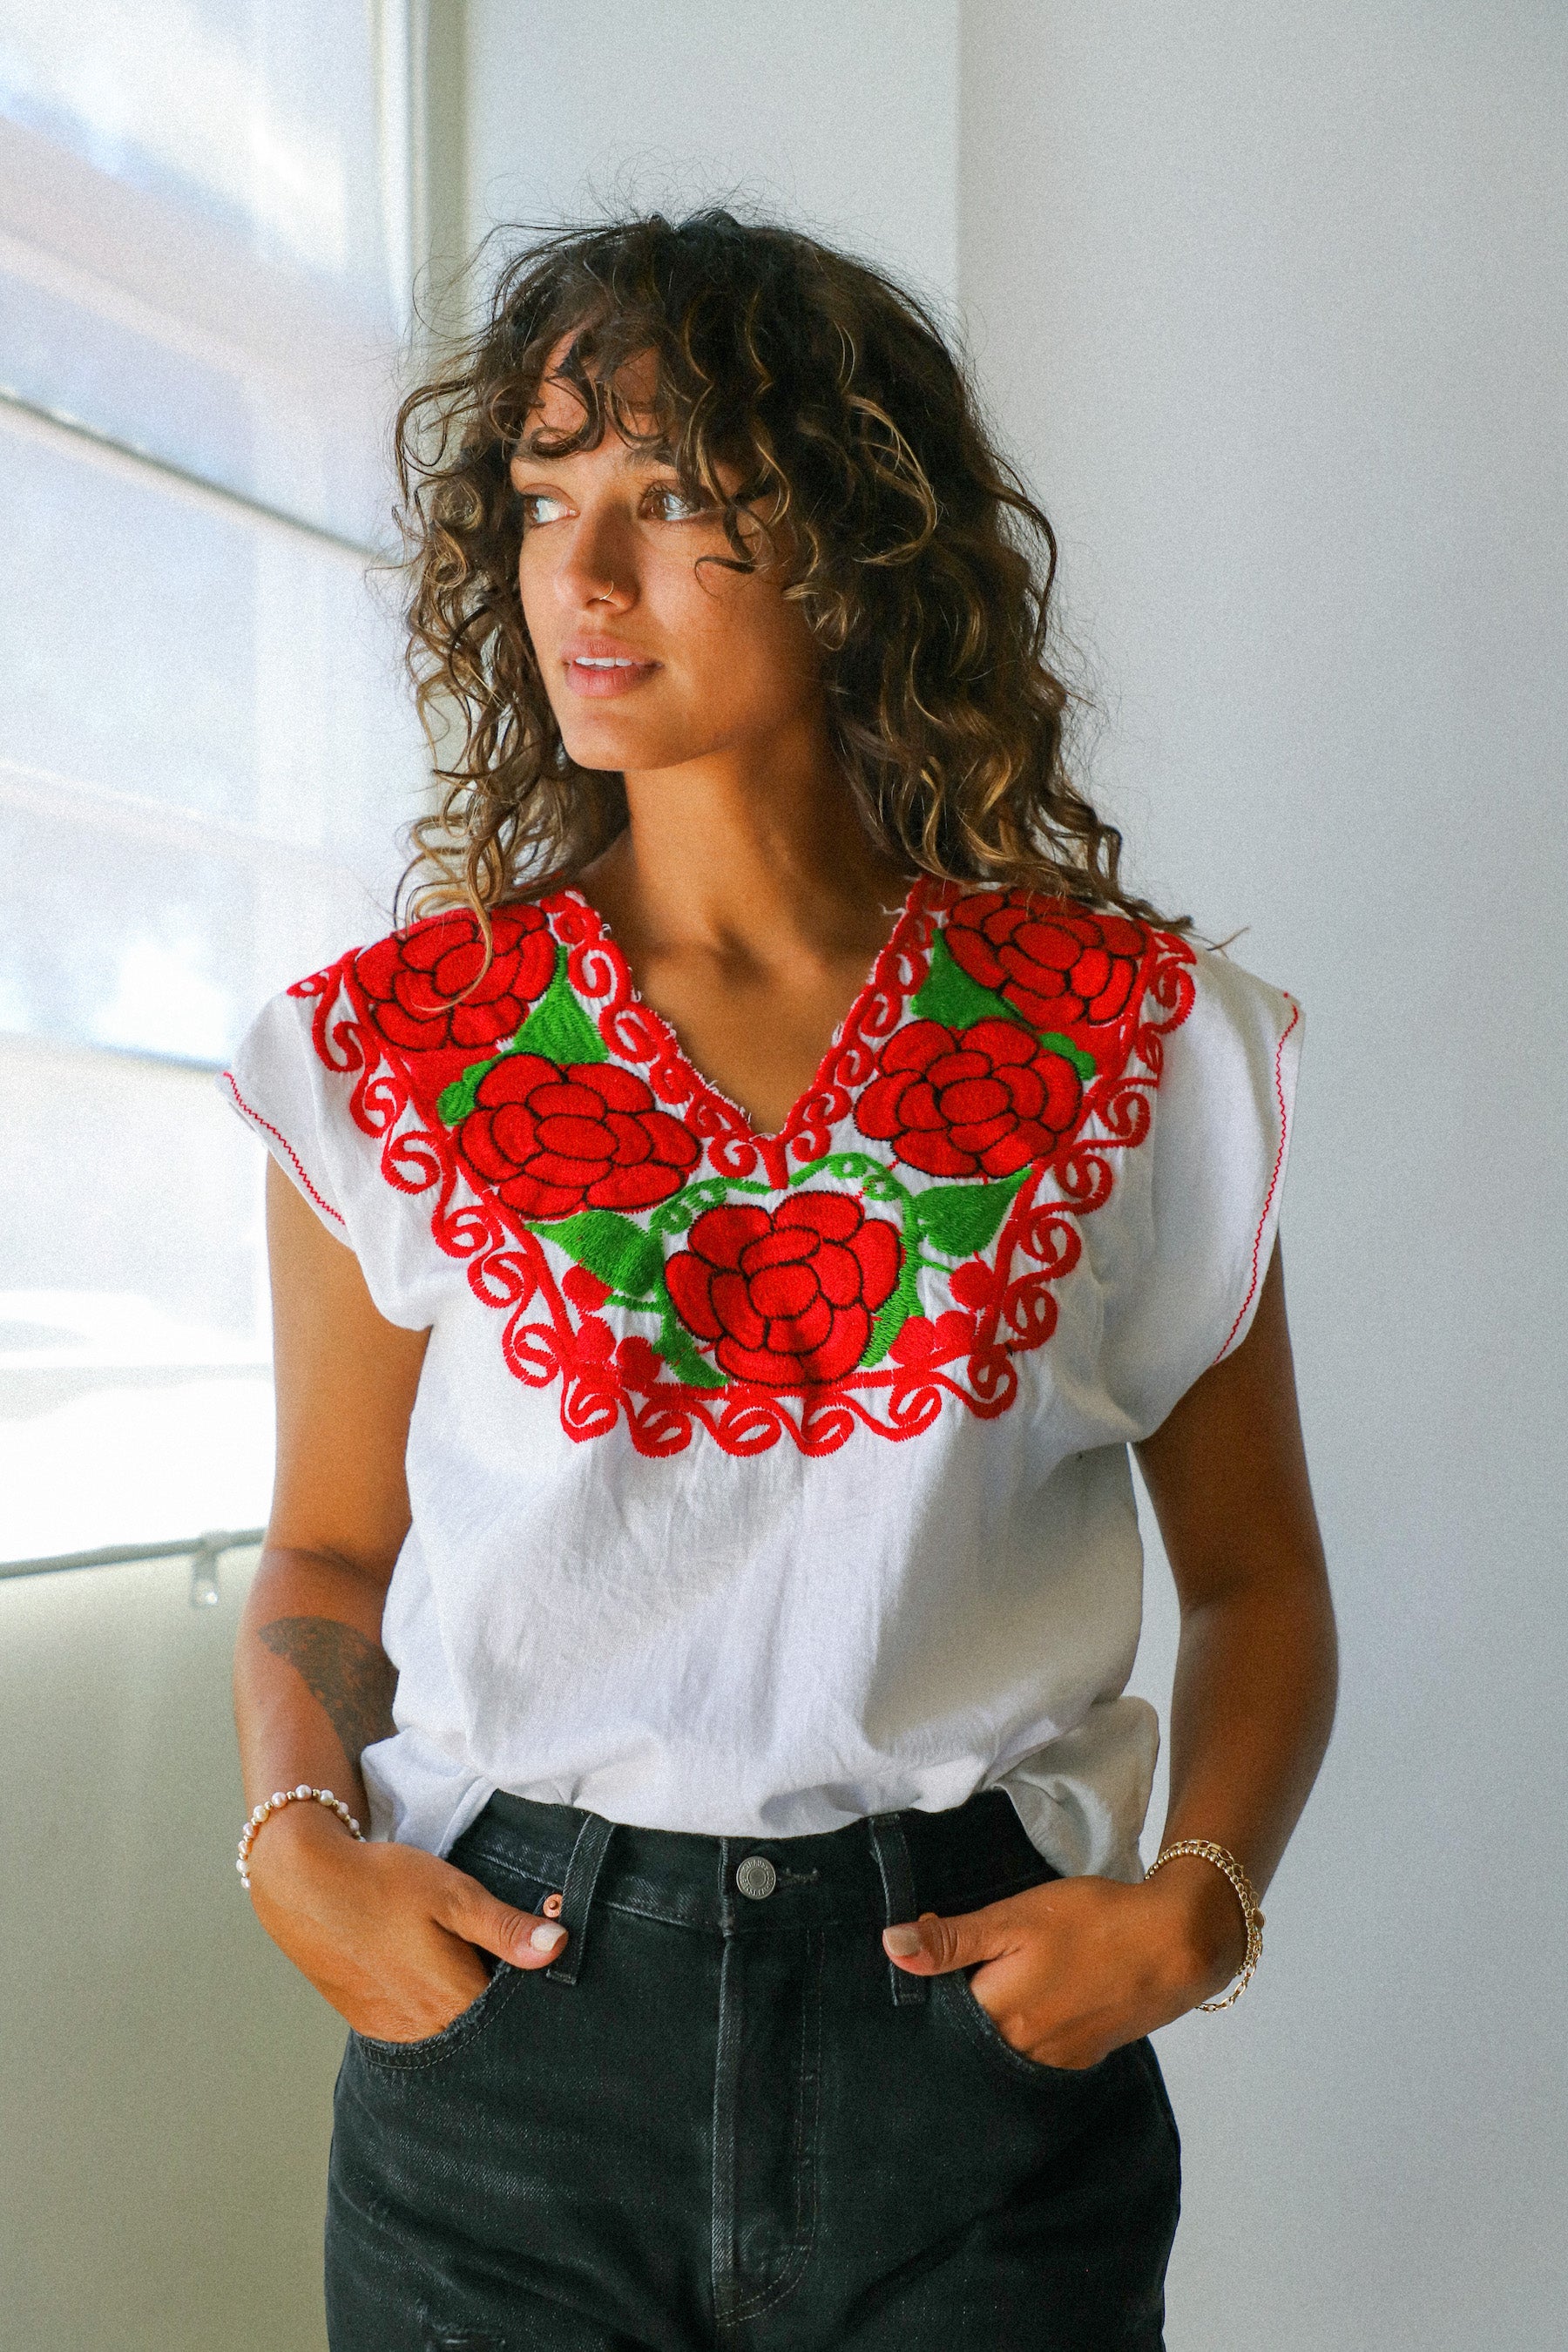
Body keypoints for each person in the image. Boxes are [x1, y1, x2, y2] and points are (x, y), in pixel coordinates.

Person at [222, 212, 1336, 2351]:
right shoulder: (391, 1050)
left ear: (852, 538)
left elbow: (1264, 1579)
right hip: (505, 2056)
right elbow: (328, 1556)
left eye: (668, 498)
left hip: (972, 2071)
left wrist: (1198, 1908)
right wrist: (293, 1836)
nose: (583, 573)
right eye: (546, 502)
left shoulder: (1136, 1045)